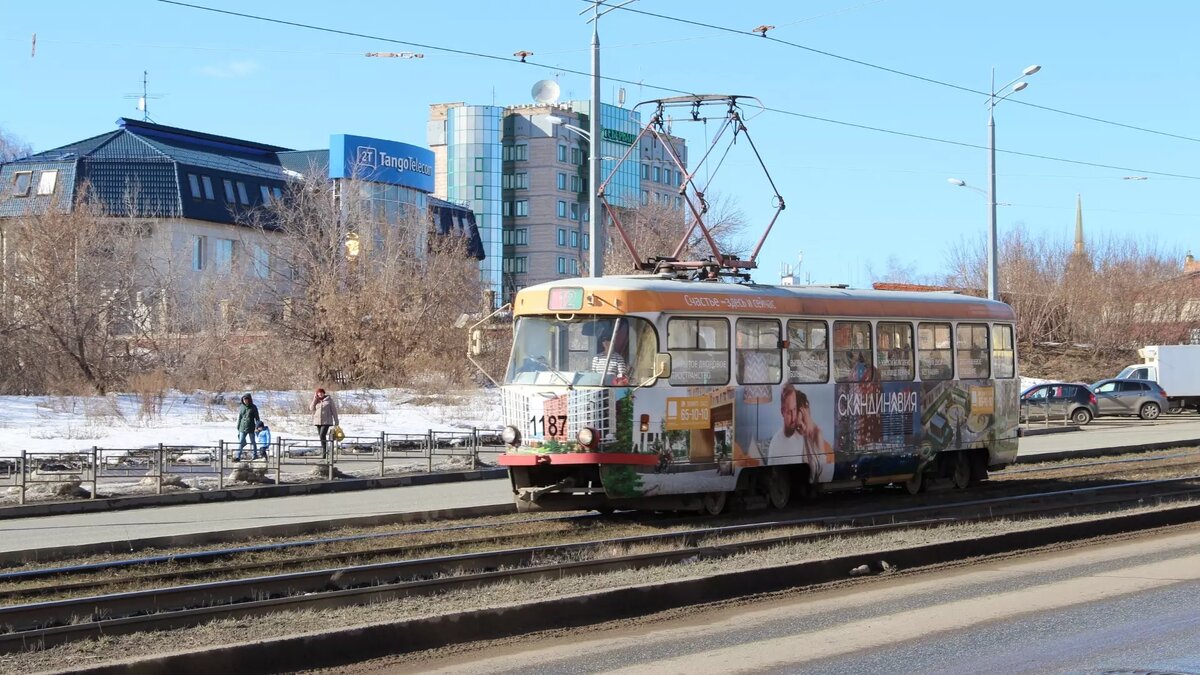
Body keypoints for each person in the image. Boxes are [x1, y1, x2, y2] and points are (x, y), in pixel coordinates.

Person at [796, 390, 834, 483]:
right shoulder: (801, 430)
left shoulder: (818, 433)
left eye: (795, 410)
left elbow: (821, 470)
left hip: (819, 476)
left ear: (802, 410)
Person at [767, 383, 805, 464]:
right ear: (782, 412)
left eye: (794, 409)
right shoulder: (775, 444)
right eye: (789, 412)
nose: (793, 416)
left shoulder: (803, 438)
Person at [311, 388, 340, 457]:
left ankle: (325, 452)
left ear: (324, 393)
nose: (320, 394)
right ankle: (325, 450)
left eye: (321, 393)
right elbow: (311, 408)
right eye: (319, 393)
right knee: (321, 437)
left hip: (326, 421)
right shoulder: (316, 400)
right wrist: (314, 399)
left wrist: (336, 420)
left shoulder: (329, 400)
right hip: (318, 421)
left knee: (322, 435)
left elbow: (334, 411)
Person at [234, 394, 261, 462]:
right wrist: (238, 426)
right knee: (241, 442)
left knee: (253, 442)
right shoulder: (242, 407)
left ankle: (255, 455)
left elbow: (257, 418)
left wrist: (258, 426)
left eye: (246, 399)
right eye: (244, 400)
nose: (245, 401)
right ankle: (238, 456)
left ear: (249, 399)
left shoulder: (253, 407)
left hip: (251, 427)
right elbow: (240, 417)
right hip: (242, 427)